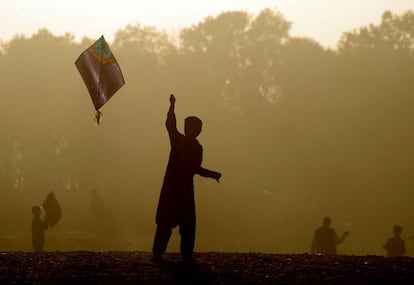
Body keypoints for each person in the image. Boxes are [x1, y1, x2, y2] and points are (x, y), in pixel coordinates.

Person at [152, 94, 222, 263]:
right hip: (177, 189)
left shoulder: (194, 146)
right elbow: (170, 125)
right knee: (168, 224)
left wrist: (212, 174)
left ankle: (184, 254)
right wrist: (172, 107)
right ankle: (160, 252)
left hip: (181, 189)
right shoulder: (180, 141)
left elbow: (195, 168)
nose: (188, 129)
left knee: (185, 224)